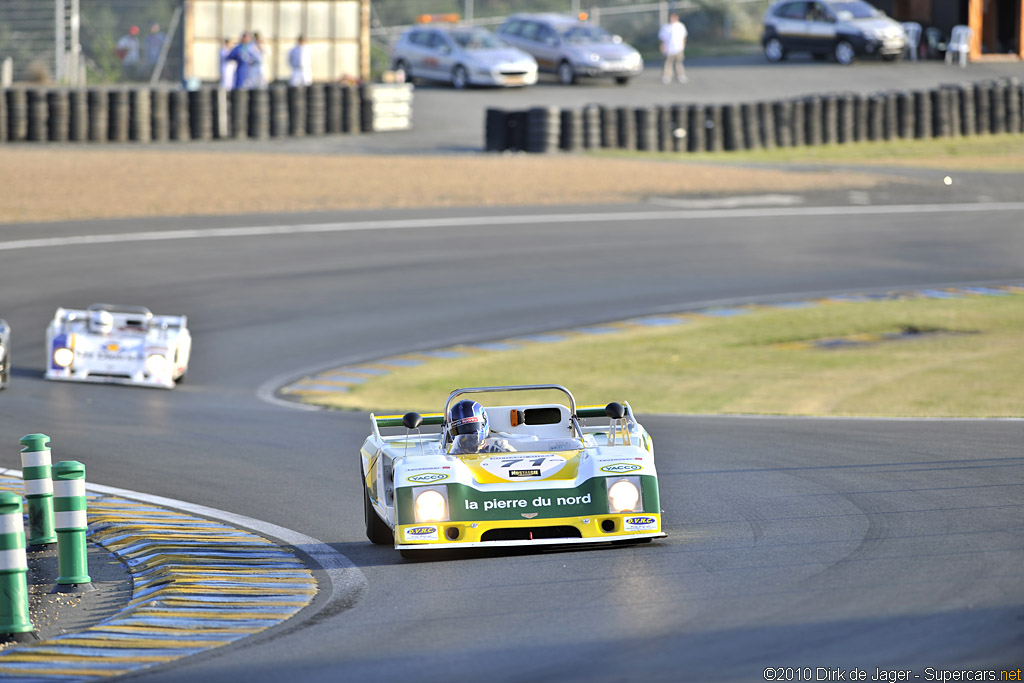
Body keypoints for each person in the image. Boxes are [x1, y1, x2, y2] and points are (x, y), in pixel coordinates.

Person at [448, 400, 516, 455]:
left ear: (484, 423)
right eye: (462, 429)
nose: (467, 435)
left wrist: (502, 454)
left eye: (472, 427)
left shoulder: (500, 445)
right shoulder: (449, 451)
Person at [658, 12, 688, 84]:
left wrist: (683, 46)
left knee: (678, 62)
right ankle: (667, 76)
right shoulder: (666, 27)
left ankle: (681, 76)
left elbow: (684, 37)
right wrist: (662, 46)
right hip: (669, 48)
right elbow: (662, 38)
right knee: (668, 63)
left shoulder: (680, 26)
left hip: (678, 48)